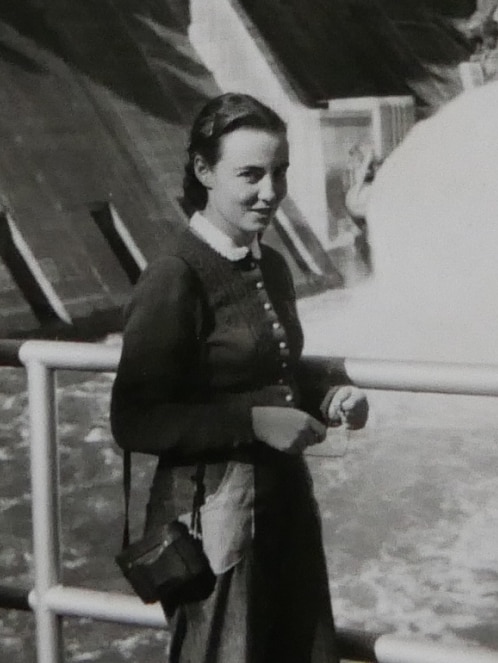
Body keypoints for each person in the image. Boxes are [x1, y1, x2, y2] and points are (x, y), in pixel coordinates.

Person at [110, 92, 368, 663]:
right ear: (204, 171)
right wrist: (253, 422)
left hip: (284, 510)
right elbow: (133, 419)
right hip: (215, 528)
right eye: (250, 174)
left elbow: (270, 368)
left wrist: (327, 398)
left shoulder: (269, 265)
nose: (271, 192)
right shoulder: (175, 276)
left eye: (279, 172)